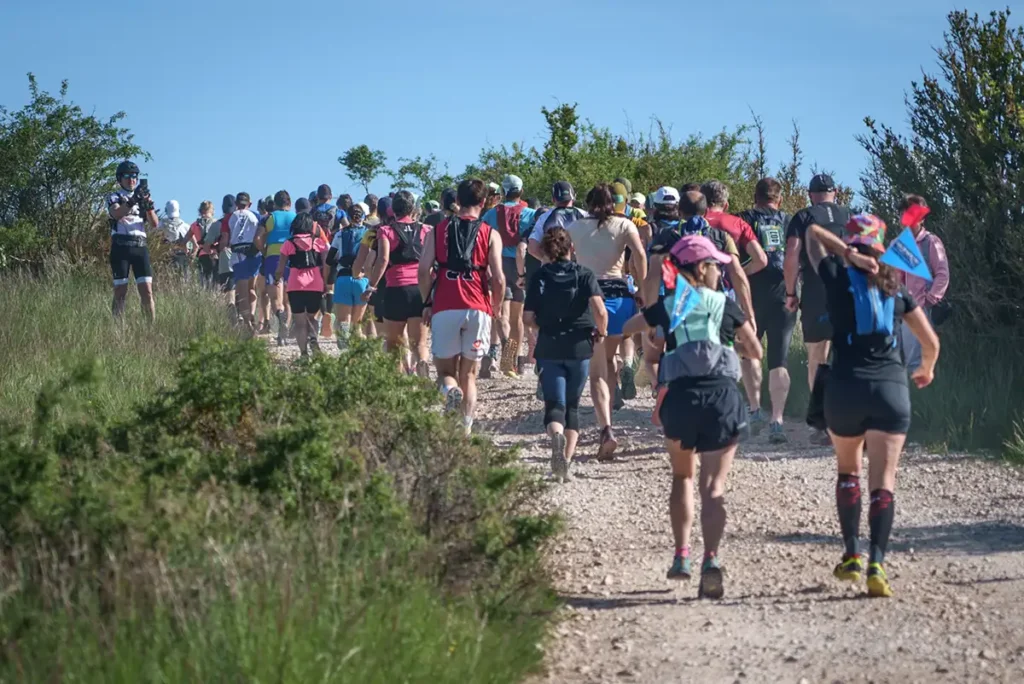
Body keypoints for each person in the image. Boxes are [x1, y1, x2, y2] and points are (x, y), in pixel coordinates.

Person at [803, 213, 939, 598]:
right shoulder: (897, 286)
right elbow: (930, 343)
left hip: (845, 389)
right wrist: (925, 370)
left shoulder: (834, 274)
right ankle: (877, 563)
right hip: (891, 392)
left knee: (848, 472)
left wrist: (846, 253)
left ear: (851, 244)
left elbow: (812, 234)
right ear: (882, 247)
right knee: (884, 482)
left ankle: (851, 554)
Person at [640, 234, 762, 599]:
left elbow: (649, 338)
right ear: (704, 268)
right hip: (721, 397)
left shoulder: (671, 303)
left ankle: (681, 556)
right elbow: (754, 350)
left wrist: (650, 337)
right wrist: (729, 344)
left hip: (680, 397)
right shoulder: (724, 305)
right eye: (715, 266)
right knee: (714, 487)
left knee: (682, 477)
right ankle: (711, 559)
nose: (718, 272)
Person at [566, 183, 647, 460]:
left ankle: (606, 428)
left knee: (598, 371)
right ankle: (610, 410)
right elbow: (640, 255)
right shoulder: (625, 225)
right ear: (615, 203)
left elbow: (563, 260)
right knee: (610, 359)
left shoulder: (575, 228)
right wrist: (643, 289)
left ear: (587, 203)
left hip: (589, 300)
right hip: (620, 297)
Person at [418, 178, 504, 436]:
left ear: (457, 200)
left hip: (445, 304)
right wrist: (496, 307)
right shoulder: (490, 233)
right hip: (478, 306)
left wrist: (427, 301)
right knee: (470, 374)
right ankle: (464, 431)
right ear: (484, 202)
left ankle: (449, 391)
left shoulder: (438, 229)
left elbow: (423, 270)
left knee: (445, 370)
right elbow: (499, 278)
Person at [524, 227, 608, 481]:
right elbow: (600, 311)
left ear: (546, 251)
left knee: (554, 404)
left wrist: (543, 328)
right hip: (579, 346)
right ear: (572, 249)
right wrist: (600, 333)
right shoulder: (584, 274)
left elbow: (527, 317)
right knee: (572, 405)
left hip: (549, 346)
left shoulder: (539, 276)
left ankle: (555, 435)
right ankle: (566, 462)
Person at [784, 174, 852, 445]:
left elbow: (792, 253)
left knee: (817, 356)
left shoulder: (803, 217)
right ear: (835, 192)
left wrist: (791, 292)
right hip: (848, 291)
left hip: (816, 292)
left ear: (810, 194)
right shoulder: (849, 215)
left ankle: (824, 424)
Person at [738, 178, 796, 442]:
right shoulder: (790, 221)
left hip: (752, 294)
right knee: (779, 357)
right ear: (779, 199)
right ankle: (778, 420)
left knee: (750, 352)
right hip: (784, 295)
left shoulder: (744, 219)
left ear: (755, 197)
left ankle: (754, 408)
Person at [364, 190, 430, 375]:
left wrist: (372, 285)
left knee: (394, 344)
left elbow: (383, 260)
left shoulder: (386, 231)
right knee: (420, 342)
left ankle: (401, 382)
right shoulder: (425, 229)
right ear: (412, 209)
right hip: (419, 289)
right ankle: (422, 362)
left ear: (394, 209)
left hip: (396, 290)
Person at [482, 174, 537, 377]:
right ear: (521, 191)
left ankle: (505, 357)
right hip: (522, 266)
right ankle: (516, 360)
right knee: (518, 318)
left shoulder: (490, 214)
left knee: (501, 314)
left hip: (499, 265)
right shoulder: (530, 214)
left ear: (503, 192)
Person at [897, 195, 949, 373]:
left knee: (915, 362)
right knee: (899, 360)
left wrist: (930, 299)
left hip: (921, 309)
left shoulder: (930, 242)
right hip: (902, 310)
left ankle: (917, 397)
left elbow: (942, 273)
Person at [107, 160, 158, 320]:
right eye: (127, 176)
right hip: (121, 246)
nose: (132, 180)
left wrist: (148, 206)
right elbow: (116, 213)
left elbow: (155, 224)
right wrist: (132, 200)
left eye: (135, 176)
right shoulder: (114, 196)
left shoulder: (142, 196)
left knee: (147, 291)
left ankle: (151, 328)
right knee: (120, 291)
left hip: (140, 246)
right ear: (120, 179)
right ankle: (117, 329)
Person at [275, 213, 329, 358]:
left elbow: (280, 268)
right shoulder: (318, 242)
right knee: (312, 318)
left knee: (299, 323)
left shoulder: (288, 243)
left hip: (295, 285)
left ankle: (304, 354)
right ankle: (313, 337)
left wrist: (276, 279)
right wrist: (326, 283)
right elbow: (325, 265)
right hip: (315, 284)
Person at [253, 190, 296, 346]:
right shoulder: (295, 218)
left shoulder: (269, 218)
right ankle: (284, 334)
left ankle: (279, 316)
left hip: (273, 258)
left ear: (275, 204)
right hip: (291, 258)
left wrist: (264, 251)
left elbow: (257, 238)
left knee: (275, 297)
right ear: (289, 203)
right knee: (288, 300)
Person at [326, 201, 370, 347]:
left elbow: (329, 259)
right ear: (363, 216)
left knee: (343, 320)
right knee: (357, 324)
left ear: (348, 217)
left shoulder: (340, 234)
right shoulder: (370, 234)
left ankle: (344, 350)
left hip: (343, 277)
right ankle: (357, 355)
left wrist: (340, 261)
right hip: (361, 279)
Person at [226, 192, 262, 332]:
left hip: (238, 253)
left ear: (236, 204)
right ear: (250, 203)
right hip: (254, 253)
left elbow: (226, 235)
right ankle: (251, 315)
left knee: (242, 292)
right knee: (251, 288)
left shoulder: (231, 217)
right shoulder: (255, 215)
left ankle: (248, 323)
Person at [311, 184, 339, 340]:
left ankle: (322, 316)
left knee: (319, 288)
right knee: (330, 287)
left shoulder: (312, 212)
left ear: (318, 197)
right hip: (332, 251)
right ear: (330, 196)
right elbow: (346, 227)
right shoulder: (337, 211)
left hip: (315, 251)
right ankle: (329, 314)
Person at [187, 200, 218, 288]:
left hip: (202, 254)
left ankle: (205, 299)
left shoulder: (195, 224)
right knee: (215, 281)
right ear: (212, 210)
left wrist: (191, 250)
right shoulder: (216, 223)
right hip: (214, 254)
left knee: (203, 280)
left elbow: (185, 239)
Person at [159, 200, 192, 273]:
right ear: (179, 210)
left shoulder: (161, 225)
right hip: (184, 256)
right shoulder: (186, 226)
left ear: (166, 210)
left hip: (167, 257)